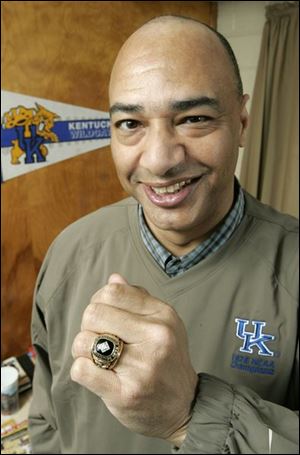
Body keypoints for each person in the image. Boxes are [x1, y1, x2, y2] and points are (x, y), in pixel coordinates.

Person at [28, 15, 299, 454]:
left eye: (193, 118)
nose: (158, 161)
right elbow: (49, 416)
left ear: (243, 121)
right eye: (131, 124)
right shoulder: (71, 251)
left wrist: (190, 415)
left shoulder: (292, 269)